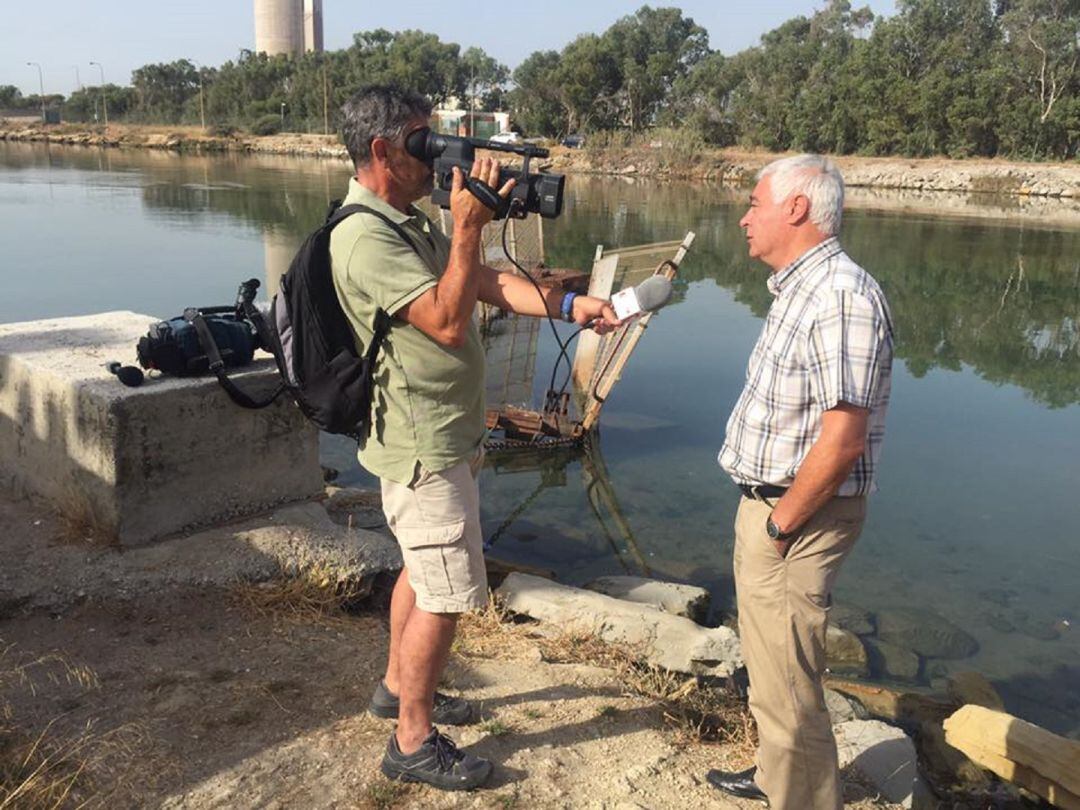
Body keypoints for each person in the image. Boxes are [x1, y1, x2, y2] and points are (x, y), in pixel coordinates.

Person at [329, 85, 619, 791]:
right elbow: (448, 320)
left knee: (420, 571)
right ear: (381, 150)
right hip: (422, 444)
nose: (435, 160)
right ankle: (412, 743)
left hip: (444, 435)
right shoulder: (363, 235)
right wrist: (466, 227)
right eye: (423, 144)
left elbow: (482, 282)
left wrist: (572, 304)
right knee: (446, 594)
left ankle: (398, 690)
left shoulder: (403, 218)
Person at [708, 155, 894, 809]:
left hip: (797, 517)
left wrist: (781, 524)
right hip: (773, 509)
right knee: (770, 671)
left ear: (796, 208)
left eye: (755, 203)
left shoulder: (841, 296)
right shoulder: (802, 290)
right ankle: (772, 777)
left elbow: (843, 439)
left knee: (789, 688)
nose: (744, 217)